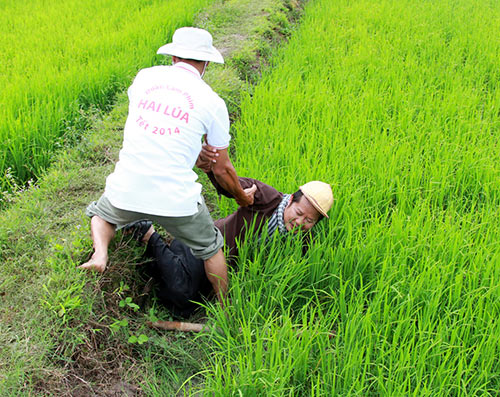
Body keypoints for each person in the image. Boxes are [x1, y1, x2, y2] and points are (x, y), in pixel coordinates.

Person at [80, 27, 256, 306]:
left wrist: (193, 152)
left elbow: (159, 129)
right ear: (206, 63)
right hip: (177, 202)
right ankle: (224, 307)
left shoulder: (144, 77)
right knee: (211, 249)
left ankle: (100, 254)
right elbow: (221, 169)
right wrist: (242, 196)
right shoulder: (212, 101)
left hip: (126, 191)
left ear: (173, 55)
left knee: (101, 215)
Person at [125, 145, 334, 317]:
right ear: (290, 200)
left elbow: (306, 274)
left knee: (188, 307)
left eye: (309, 220)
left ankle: (164, 263)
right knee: (182, 292)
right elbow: (232, 185)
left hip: (223, 268)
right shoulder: (267, 198)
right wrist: (209, 169)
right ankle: (149, 234)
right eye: (298, 213)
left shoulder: (304, 241)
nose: (300, 222)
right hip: (206, 245)